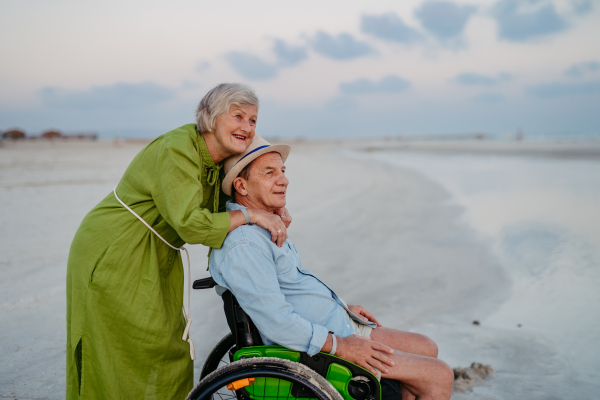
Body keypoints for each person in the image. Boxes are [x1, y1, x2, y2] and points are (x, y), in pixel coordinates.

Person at [66, 83, 292, 400]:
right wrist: (254, 217)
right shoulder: (178, 148)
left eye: (253, 120)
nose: (246, 127)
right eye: (237, 116)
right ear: (209, 117)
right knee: (122, 344)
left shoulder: (218, 162)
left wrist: (271, 208)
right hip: (117, 247)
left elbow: (235, 203)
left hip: (158, 250)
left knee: (168, 345)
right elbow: (191, 224)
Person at [209, 137, 455, 400]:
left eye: (282, 171)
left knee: (427, 347)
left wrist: (340, 308)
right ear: (241, 185)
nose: (283, 180)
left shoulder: (265, 227)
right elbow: (277, 323)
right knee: (439, 375)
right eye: (269, 173)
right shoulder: (245, 244)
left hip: (335, 326)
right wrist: (341, 346)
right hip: (317, 350)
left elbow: (294, 290)